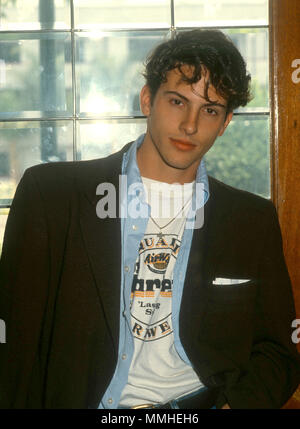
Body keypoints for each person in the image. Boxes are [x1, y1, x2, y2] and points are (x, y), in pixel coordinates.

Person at [0, 29, 299, 410]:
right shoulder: (53, 196)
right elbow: (15, 345)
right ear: (147, 100)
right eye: (177, 101)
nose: (190, 125)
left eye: (210, 110)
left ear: (225, 123)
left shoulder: (250, 219)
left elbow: (278, 351)